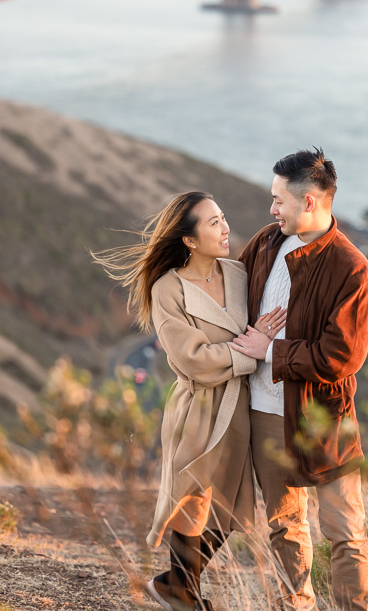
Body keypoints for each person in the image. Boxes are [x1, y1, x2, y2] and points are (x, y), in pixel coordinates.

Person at [92, 191, 286, 611]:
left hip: (239, 406)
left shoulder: (238, 273)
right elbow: (191, 359)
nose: (225, 227)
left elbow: (261, 326)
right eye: (213, 222)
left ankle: (173, 585)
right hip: (198, 407)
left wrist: (264, 345)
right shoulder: (168, 288)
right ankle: (181, 592)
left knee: (231, 511)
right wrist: (249, 352)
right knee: (191, 499)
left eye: (223, 217)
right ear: (190, 241)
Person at [231, 149, 368, 611]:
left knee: (345, 533)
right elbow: (232, 303)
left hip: (323, 419)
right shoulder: (267, 243)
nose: (272, 210)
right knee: (284, 526)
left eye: (278, 200)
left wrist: (268, 350)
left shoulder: (351, 267)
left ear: (309, 201)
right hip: (263, 413)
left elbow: (342, 356)